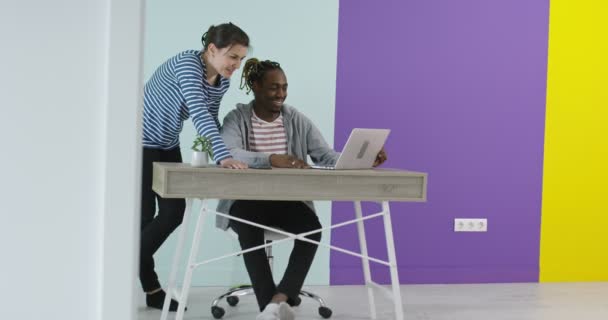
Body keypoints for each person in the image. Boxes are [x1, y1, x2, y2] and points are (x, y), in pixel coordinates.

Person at [216, 58, 387, 320]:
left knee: (312, 230)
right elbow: (230, 151)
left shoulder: (295, 119)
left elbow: (324, 155)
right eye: (274, 87)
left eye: (284, 87)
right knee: (249, 233)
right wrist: (272, 159)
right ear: (255, 86)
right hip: (246, 199)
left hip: (286, 199)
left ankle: (278, 302)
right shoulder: (237, 118)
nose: (281, 94)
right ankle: (271, 308)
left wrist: (363, 159)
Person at [140, 22, 250, 311]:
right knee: (142, 217)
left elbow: (210, 118)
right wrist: (223, 155)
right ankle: (151, 290)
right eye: (232, 57)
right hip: (137, 143)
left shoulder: (222, 82)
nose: (236, 65)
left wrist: (219, 156)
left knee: (174, 212)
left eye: (241, 59)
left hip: (165, 144)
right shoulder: (187, 64)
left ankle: (125, 263)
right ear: (212, 49)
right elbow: (198, 112)